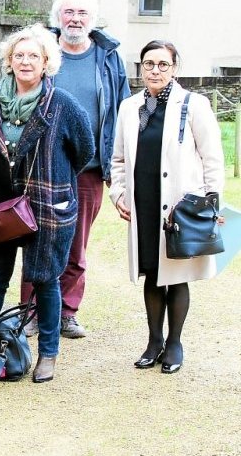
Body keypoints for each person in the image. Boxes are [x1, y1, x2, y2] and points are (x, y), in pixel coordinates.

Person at [0, 24, 94, 384]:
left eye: (33, 56)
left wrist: (57, 183)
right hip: (2, 208)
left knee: (45, 280)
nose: (25, 61)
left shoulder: (62, 104)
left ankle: (48, 354)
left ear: (46, 62)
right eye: (18, 55)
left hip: (47, 206)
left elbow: (84, 150)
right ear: (9, 60)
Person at [21, 0, 131, 339]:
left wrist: (120, 164)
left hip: (90, 168)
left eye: (82, 12)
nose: (75, 19)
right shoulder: (41, 50)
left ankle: (66, 311)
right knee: (35, 238)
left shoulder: (108, 57)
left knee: (75, 243)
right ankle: (30, 312)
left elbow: (123, 110)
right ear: (58, 17)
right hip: (42, 166)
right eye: (68, 12)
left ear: (92, 18)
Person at [109, 40, 224, 374]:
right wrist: (118, 194)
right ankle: (154, 340)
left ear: (174, 68)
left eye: (162, 64)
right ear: (140, 68)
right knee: (152, 273)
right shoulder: (129, 107)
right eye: (149, 64)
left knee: (176, 274)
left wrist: (211, 201)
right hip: (143, 203)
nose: (155, 70)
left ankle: (174, 343)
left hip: (180, 207)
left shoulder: (194, 104)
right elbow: (117, 159)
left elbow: (212, 158)